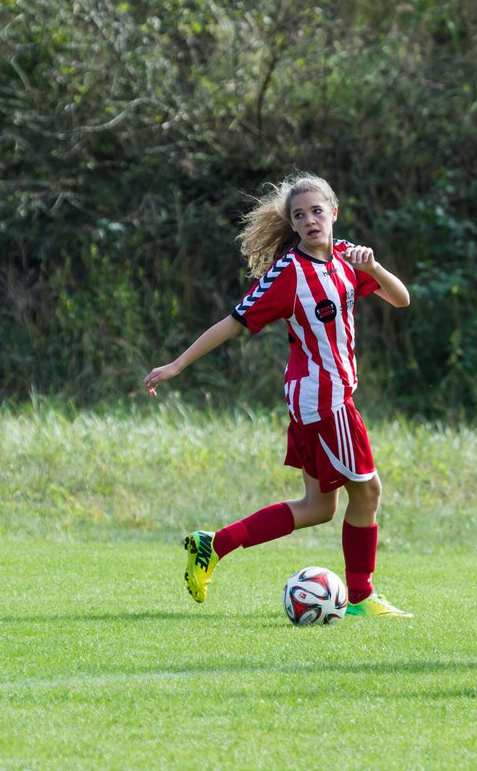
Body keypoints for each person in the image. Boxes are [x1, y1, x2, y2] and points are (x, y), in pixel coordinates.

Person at [143, 172, 414, 617]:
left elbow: (401, 299)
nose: (309, 220)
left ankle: (214, 544)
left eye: (316, 211)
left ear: (334, 213)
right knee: (367, 494)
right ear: (292, 224)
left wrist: (373, 267)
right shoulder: (289, 274)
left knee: (318, 507)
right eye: (299, 215)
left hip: (320, 401)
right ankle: (362, 598)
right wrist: (176, 365)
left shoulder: (348, 258)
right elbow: (233, 321)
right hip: (324, 402)